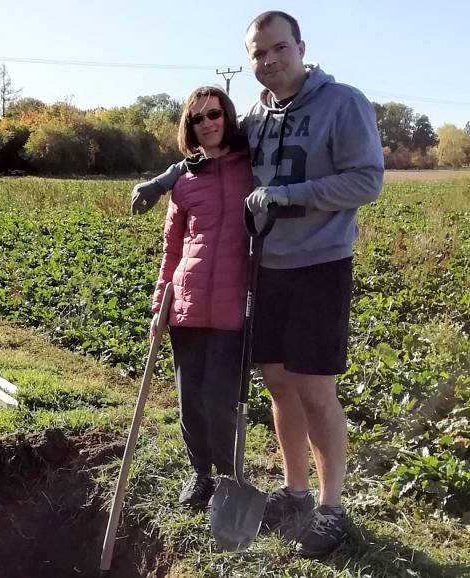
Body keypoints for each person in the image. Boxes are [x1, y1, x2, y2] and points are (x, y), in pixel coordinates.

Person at [133, 11, 383, 558]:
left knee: (317, 391)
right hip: (265, 268)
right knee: (277, 384)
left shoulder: (343, 103)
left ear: (299, 46)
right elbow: (206, 156)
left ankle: (331, 507)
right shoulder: (257, 116)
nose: (268, 60)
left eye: (278, 49)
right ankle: (294, 492)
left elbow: (368, 180)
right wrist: (159, 181)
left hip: (319, 264)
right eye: (257, 54)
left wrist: (289, 197)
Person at [151, 85, 253, 509]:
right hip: (187, 303)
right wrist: (160, 306)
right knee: (190, 397)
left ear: (227, 117)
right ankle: (200, 475)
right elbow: (172, 249)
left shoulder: (252, 168)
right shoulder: (185, 181)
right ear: (189, 127)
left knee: (221, 398)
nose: (208, 123)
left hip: (233, 305)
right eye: (198, 118)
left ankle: (230, 476)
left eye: (215, 114)